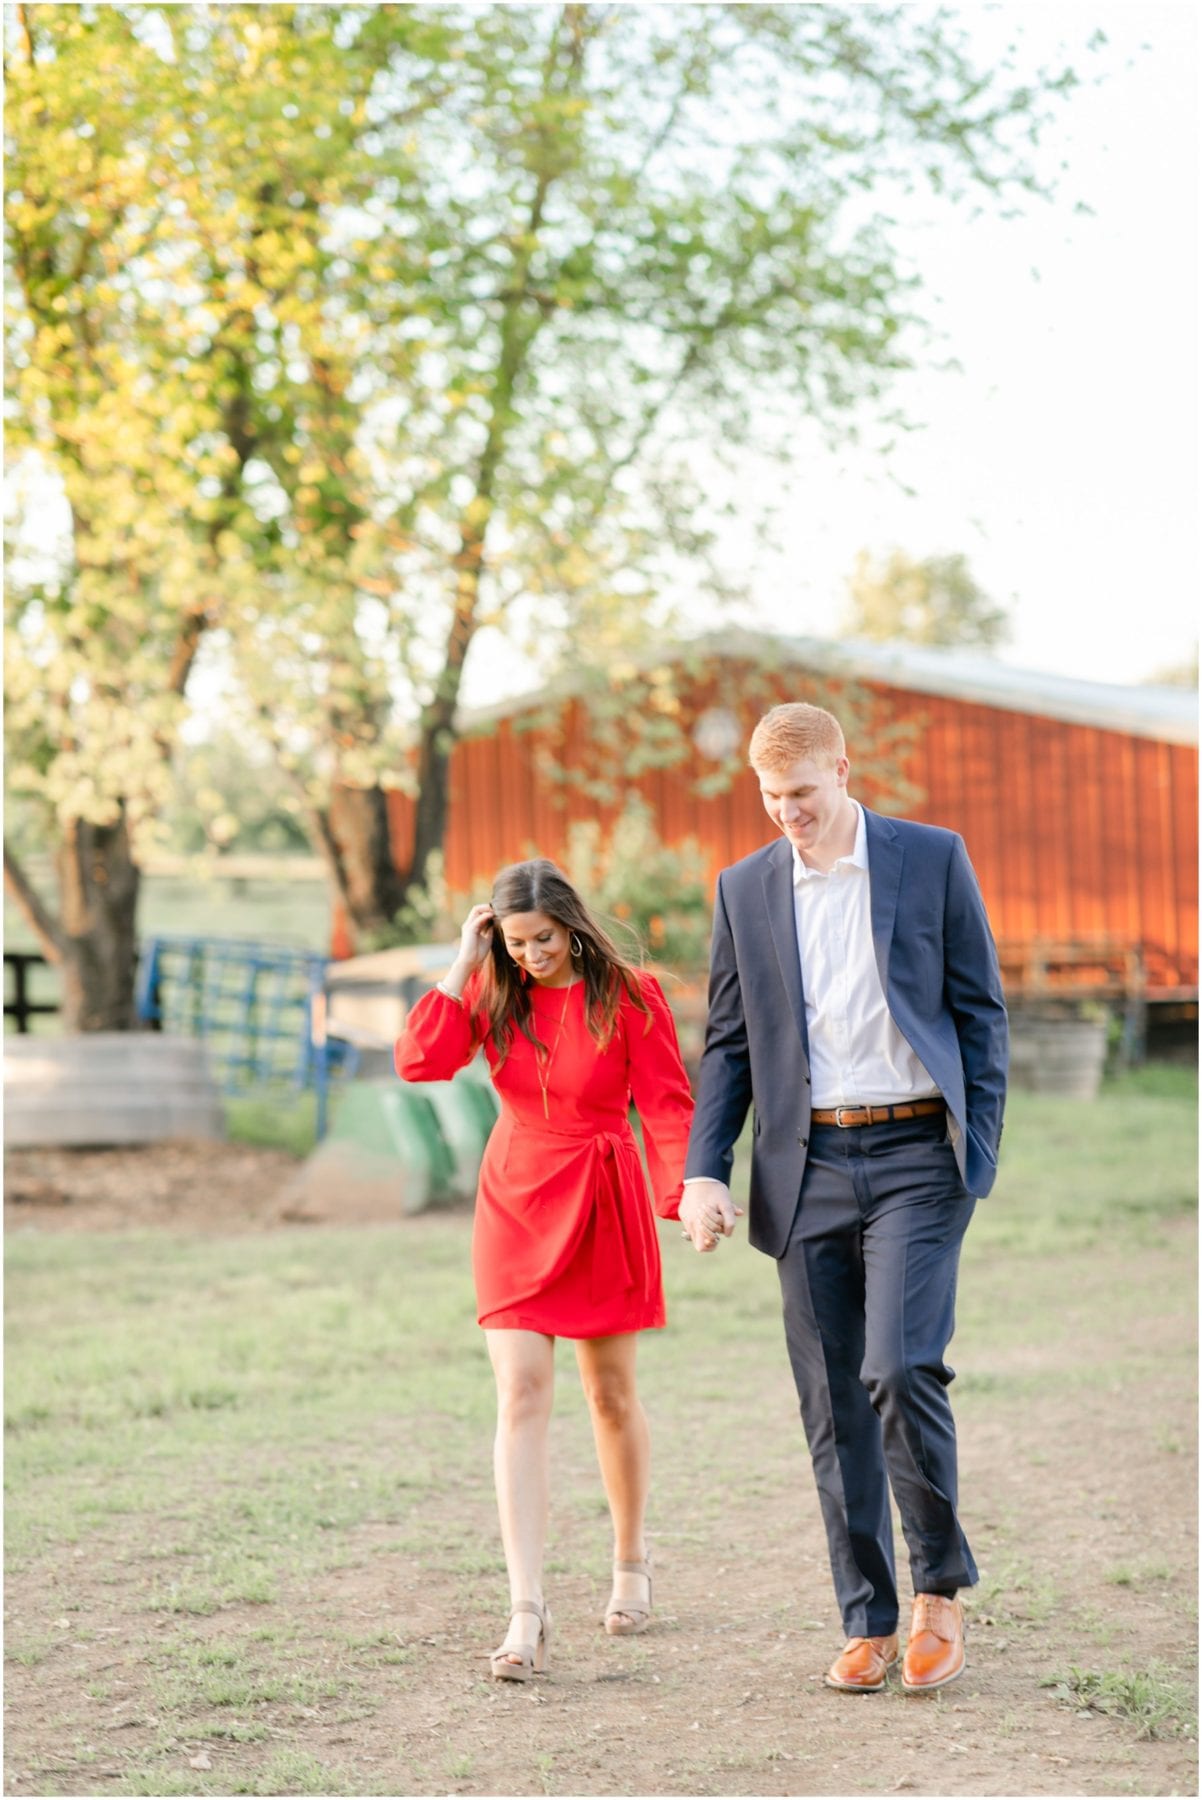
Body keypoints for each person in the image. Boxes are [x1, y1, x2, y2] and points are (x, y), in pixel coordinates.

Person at [679, 702, 1007, 1695]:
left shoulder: (929, 858)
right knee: (830, 1403)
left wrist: (976, 1149)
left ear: (843, 771)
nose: (788, 814)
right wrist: (705, 1169)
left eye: (803, 795)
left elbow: (978, 1010)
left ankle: (937, 1593)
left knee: (899, 1365)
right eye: (771, 798)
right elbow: (728, 1041)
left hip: (915, 1152)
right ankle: (864, 1618)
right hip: (807, 1165)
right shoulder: (743, 889)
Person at [395, 858, 693, 1682]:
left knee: (609, 1395)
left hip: (603, 1195)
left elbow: (666, 1103)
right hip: (516, 1199)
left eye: (544, 939)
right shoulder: (493, 991)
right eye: (516, 941)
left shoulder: (632, 996)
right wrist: (463, 962)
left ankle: (629, 1558)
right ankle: (525, 1606)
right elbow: (420, 1061)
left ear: (572, 924)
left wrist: (685, 1195)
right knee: (520, 1392)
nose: (530, 955)